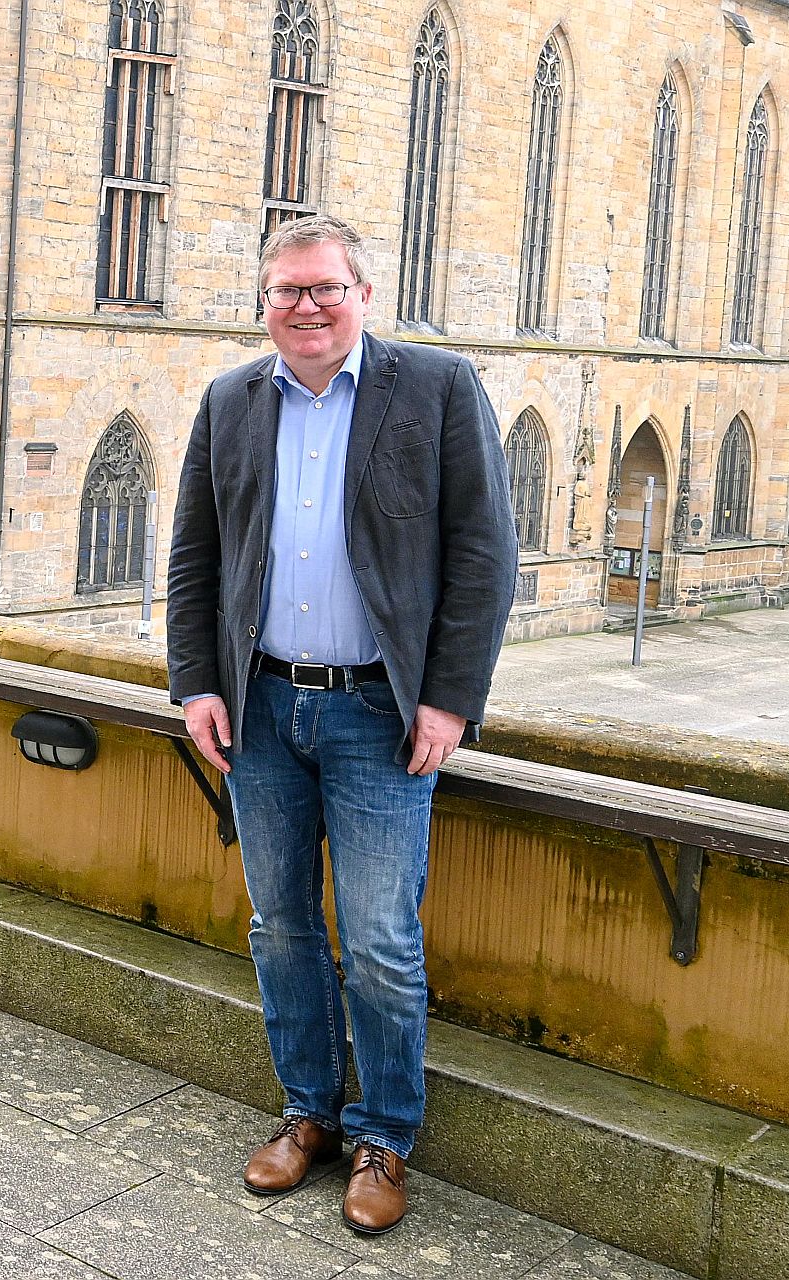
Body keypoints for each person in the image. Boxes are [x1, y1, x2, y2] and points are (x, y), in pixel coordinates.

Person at [166, 215, 517, 1234]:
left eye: (325, 287)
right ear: (263, 303)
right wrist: (198, 681)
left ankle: (385, 1136)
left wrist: (449, 698)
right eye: (287, 291)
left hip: (379, 711)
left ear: (365, 294)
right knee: (279, 926)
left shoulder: (437, 390)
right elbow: (195, 553)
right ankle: (308, 1111)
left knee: (377, 940)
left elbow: (483, 560)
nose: (306, 306)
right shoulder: (232, 399)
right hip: (262, 705)